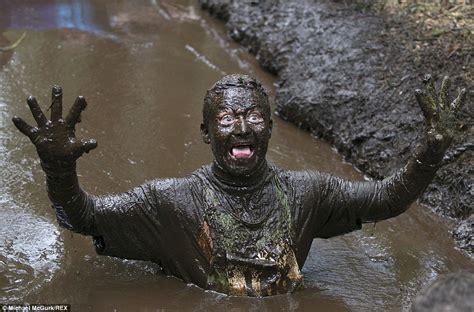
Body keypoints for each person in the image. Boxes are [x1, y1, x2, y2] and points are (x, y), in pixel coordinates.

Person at [12, 74, 465, 297]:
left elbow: (386, 200)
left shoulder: (307, 194)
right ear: (207, 133)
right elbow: (81, 218)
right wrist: (58, 170)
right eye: (227, 119)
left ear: (268, 128)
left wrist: (433, 149)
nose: (242, 127)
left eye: (253, 117)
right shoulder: (169, 202)